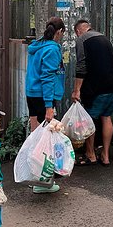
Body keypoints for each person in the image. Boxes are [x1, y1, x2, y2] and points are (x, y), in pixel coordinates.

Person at [71, 19, 113, 166]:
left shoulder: (82, 39)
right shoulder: (104, 38)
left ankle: (91, 154)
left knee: (89, 120)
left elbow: (81, 66)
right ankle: (105, 156)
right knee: (106, 117)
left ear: (78, 31)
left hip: (97, 88)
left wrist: (76, 90)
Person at [25, 16, 66, 194]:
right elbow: (48, 77)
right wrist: (49, 106)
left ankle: (33, 176)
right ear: (60, 32)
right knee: (45, 139)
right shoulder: (52, 49)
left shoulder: (37, 46)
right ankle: (42, 183)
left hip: (32, 94)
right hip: (43, 97)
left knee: (36, 135)